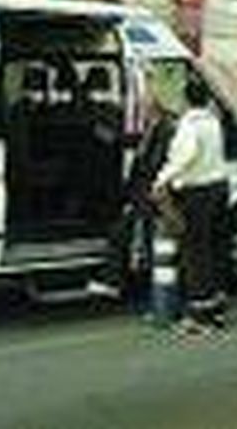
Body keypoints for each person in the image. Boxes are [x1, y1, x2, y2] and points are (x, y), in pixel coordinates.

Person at [153, 76, 229, 333]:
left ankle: (199, 317)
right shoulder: (213, 121)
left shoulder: (189, 125)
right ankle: (216, 311)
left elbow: (183, 157)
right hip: (218, 188)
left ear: (186, 100)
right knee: (212, 250)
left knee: (195, 254)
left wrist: (161, 179)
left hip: (197, 193)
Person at [89, 91, 174, 300]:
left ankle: (114, 282)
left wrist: (138, 191)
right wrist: (112, 137)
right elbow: (135, 142)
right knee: (133, 235)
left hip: (149, 192)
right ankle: (125, 282)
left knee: (123, 233)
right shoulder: (151, 128)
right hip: (141, 191)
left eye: (144, 108)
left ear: (154, 109)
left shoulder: (164, 130)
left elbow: (153, 163)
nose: (141, 113)